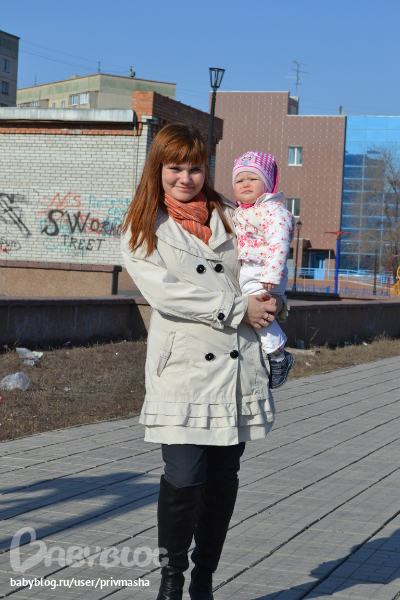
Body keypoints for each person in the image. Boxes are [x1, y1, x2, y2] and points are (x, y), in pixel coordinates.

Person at [121, 124, 289, 600]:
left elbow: (264, 268)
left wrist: (274, 301)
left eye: (195, 168)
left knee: (221, 480)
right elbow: (166, 294)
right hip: (184, 369)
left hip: (237, 368)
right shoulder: (143, 225)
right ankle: (171, 580)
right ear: (158, 168)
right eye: (175, 167)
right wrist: (238, 308)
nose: (186, 178)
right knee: (183, 477)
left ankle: (204, 580)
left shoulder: (234, 216)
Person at [233, 151, 296, 388]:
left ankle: (278, 355)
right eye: (240, 180)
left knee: (258, 310)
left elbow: (280, 242)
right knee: (255, 310)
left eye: (253, 178)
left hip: (263, 272)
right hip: (252, 269)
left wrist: (271, 273)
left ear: (267, 184)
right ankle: (272, 354)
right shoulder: (244, 211)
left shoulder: (273, 210)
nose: (245, 184)